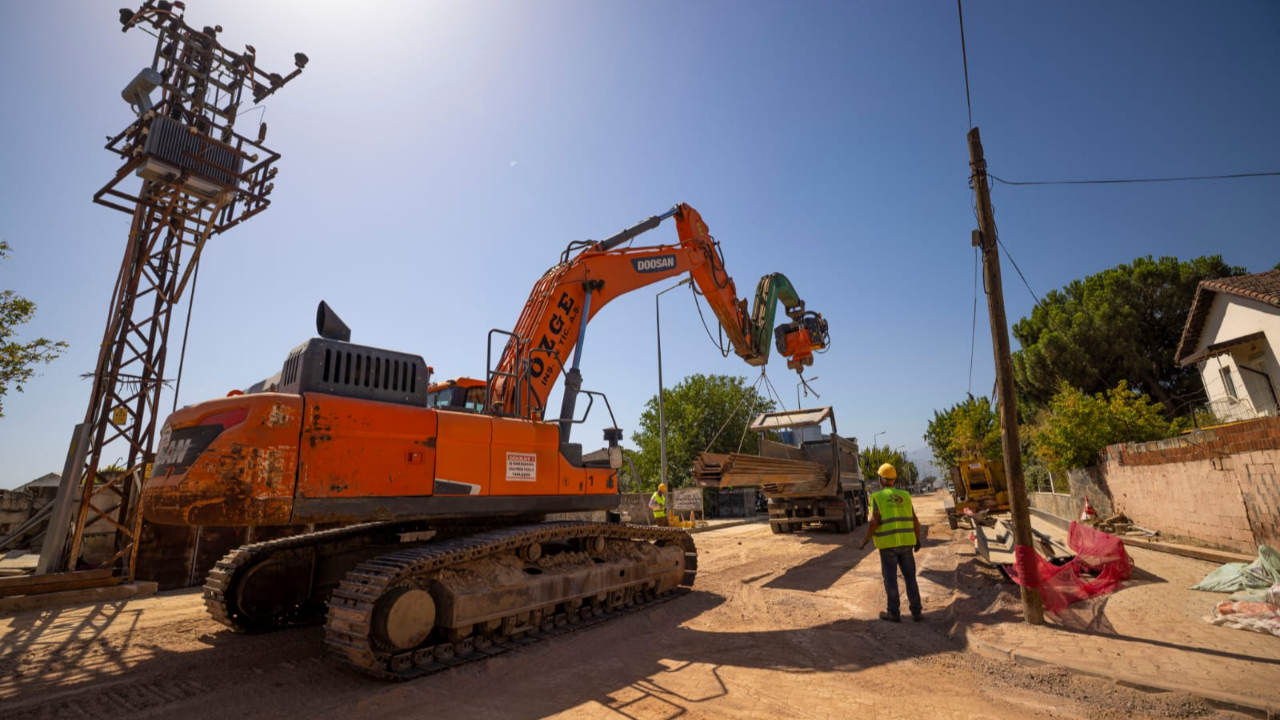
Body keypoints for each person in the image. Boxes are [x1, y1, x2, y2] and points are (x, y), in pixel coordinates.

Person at [859, 463, 923, 623]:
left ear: (881, 479)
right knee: (910, 578)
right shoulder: (905, 495)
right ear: (893, 480)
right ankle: (917, 612)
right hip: (907, 543)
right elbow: (915, 519)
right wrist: (918, 539)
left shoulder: (877, 497)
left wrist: (865, 539)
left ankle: (893, 613)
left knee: (891, 579)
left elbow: (874, 520)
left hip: (888, 545)